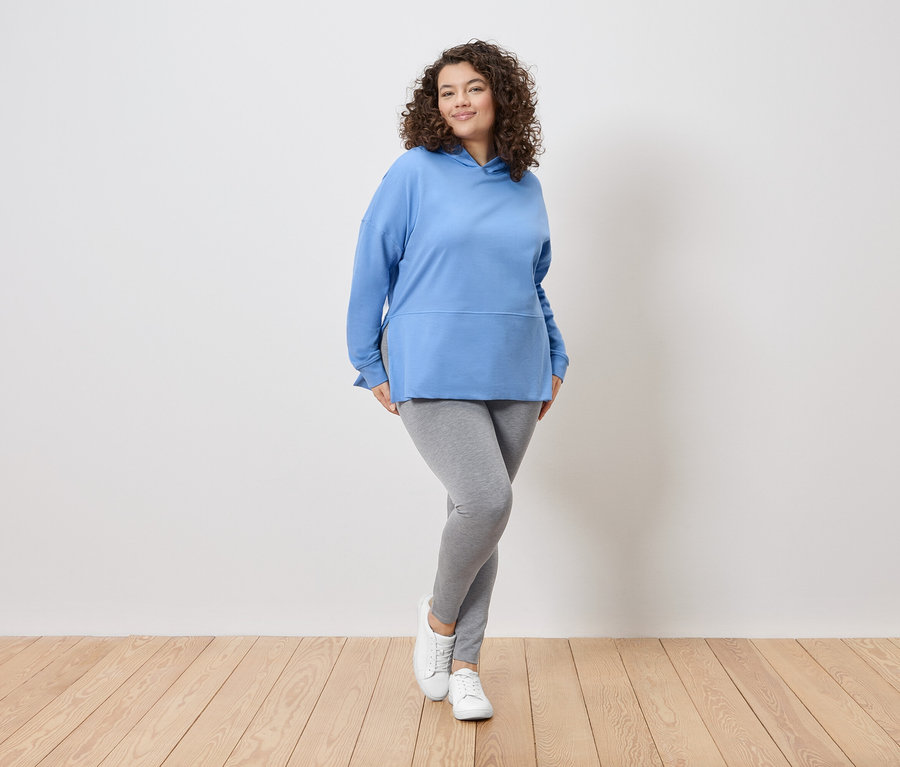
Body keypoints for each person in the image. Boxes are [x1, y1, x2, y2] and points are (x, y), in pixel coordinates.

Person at [346, 39, 570, 721]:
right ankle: (440, 622)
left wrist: (557, 358)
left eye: (473, 88)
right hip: (431, 365)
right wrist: (368, 360)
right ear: (433, 105)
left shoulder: (525, 184)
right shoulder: (413, 172)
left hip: (518, 367)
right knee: (486, 500)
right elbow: (371, 263)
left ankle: (466, 667)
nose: (460, 101)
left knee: (480, 519)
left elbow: (533, 281)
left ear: (499, 95)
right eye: (447, 92)